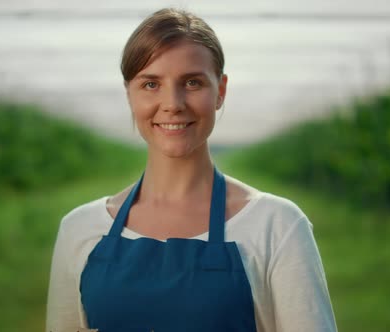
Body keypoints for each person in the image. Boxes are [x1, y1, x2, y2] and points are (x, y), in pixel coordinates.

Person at [46, 7, 337, 332]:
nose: (173, 103)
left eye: (193, 82)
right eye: (151, 84)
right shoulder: (79, 229)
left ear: (221, 91)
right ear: (129, 93)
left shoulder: (278, 226)